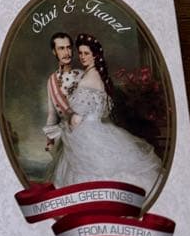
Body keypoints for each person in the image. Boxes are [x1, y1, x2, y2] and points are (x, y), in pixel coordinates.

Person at [48, 33, 163, 195]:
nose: (82, 57)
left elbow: (77, 116)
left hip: (87, 132)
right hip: (97, 127)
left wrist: (71, 124)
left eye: (86, 53)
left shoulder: (88, 78)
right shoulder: (94, 75)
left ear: (95, 55)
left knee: (91, 173)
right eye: (80, 53)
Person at [43, 32, 81, 154]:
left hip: (83, 131)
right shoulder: (51, 81)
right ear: (54, 52)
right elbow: (52, 114)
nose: (66, 52)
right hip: (66, 136)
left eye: (68, 47)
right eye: (61, 48)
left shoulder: (81, 75)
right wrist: (50, 140)